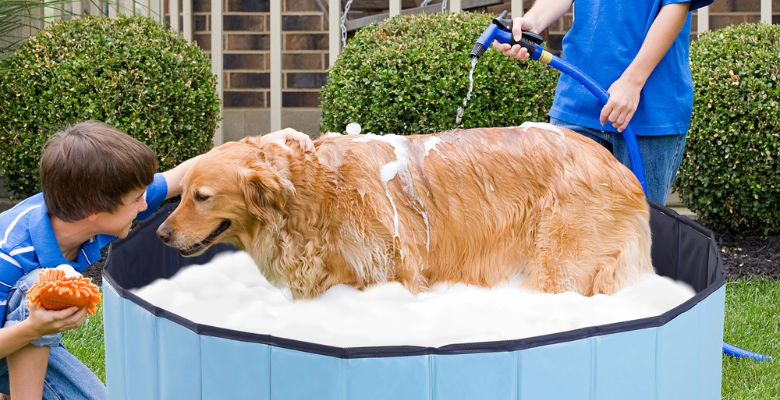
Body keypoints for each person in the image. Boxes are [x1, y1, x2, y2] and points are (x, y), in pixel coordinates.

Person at [0, 121, 314, 399]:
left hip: (18, 336)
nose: (144, 205)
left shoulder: (87, 211)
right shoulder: (10, 255)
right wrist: (30, 329)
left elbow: (181, 175)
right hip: (12, 339)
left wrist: (263, 145)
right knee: (35, 283)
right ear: (94, 212)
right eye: (137, 199)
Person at [494, 0, 714, 205]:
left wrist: (632, 82)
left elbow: (676, 5)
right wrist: (533, 21)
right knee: (567, 231)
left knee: (636, 235)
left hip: (649, 109)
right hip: (577, 100)